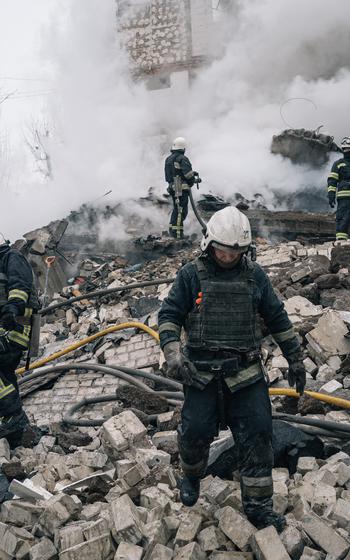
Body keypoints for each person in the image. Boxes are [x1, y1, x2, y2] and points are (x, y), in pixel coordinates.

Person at [158, 206, 306, 532]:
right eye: (224, 251)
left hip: (245, 373)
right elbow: (168, 316)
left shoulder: (255, 276)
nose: (229, 257)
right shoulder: (190, 275)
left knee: (258, 433)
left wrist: (295, 358)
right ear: (210, 244)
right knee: (195, 432)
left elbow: (278, 318)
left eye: (236, 252)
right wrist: (173, 355)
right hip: (201, 373)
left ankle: (257, 507)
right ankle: (192, 477)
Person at [0, 240, 37, 443]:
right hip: (3, 330)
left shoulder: (11, 258)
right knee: (4, 374)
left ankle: (12, 415)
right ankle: (17, 432)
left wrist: (13, 306)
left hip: (15, 328)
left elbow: (20, 285)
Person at [164, 137, 200, 239]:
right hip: (180, 187)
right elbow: (188, 175)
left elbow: (174, 173)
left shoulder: (168, 159)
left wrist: (192, 174)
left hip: (172, 186)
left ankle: (172, 231)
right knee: (181, 211)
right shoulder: (182, 158)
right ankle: (178, 235)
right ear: (183, 148)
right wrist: (192, 180)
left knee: (176, 209)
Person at [327, 136, 350, 241]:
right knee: (342, 219)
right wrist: (331, 195)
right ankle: (341, 242)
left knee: (343, 219)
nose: (347, 151)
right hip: (344, 198)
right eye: (346, 149)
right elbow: (332, 180)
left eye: (348, 149)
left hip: (343, 197)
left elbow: (332, 181)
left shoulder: (338, 164)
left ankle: (343, 241)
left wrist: (331, 195)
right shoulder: (338, 164)